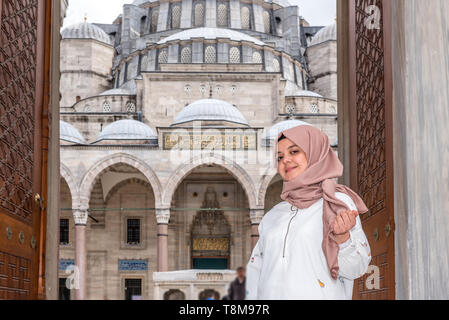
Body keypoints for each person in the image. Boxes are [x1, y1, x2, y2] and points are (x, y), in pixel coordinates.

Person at [246, 125, 371, 300]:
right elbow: (255, 272)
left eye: (294, 151)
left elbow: (357, 269)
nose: (285, 160)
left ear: (315, 153)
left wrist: (343, 239)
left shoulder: (336, 202)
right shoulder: (273, 215)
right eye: (279, 156)